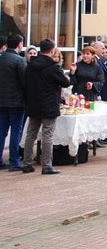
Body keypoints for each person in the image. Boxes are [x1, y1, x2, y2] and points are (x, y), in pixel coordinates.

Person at [22, 39, 70, 175]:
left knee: (30, 134)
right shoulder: (53, 67)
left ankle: (27, 163)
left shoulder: (30, 65)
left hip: (33, 104)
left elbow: (25, 84)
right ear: (51, 50)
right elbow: (66, 82)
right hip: (49, 105)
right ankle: (47, 165)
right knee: (47, 135)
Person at [0, 34, 27, 171]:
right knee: (16, 131)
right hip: (17, 102)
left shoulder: (1, 58)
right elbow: (25, 82)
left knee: (1, 131)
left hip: (2, 101)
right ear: (19, 44)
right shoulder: (19, 60)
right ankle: (14, 161)